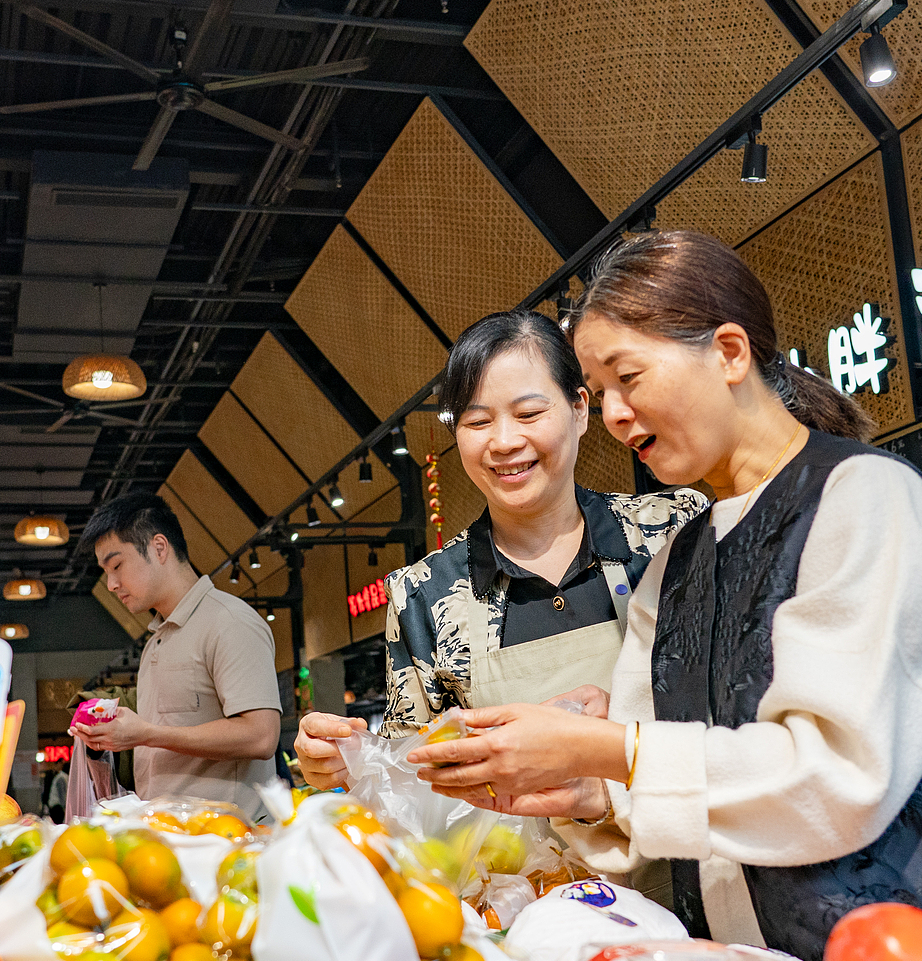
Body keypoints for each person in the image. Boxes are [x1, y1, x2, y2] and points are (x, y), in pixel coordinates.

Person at [408, 230, 922, 961]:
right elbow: (672, 776)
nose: (613, 415)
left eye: (628, 378)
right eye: (601, 395)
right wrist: (587, 791)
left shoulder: (865, 499)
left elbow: (834, 774)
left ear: (729, 353)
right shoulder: (675, 566)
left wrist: (608, 749)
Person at [291, 310, 707, 790]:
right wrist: (349, 762)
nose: (505, 442)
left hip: (684, 824)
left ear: (579, 409)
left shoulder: (671, 530)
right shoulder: (423, 593)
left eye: (529, 414)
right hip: (511, 843)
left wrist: (623, 725)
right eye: (477, 421)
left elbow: (736, 701)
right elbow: (415, 777)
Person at [72, 491, 282, 818]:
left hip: (228, 836)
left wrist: (147, 734)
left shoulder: (229, 621)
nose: (111, 584)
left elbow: (261, 736)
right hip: (169, 834)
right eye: (106, 572)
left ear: (159, 548)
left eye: (117, 565)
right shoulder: (157, 640)